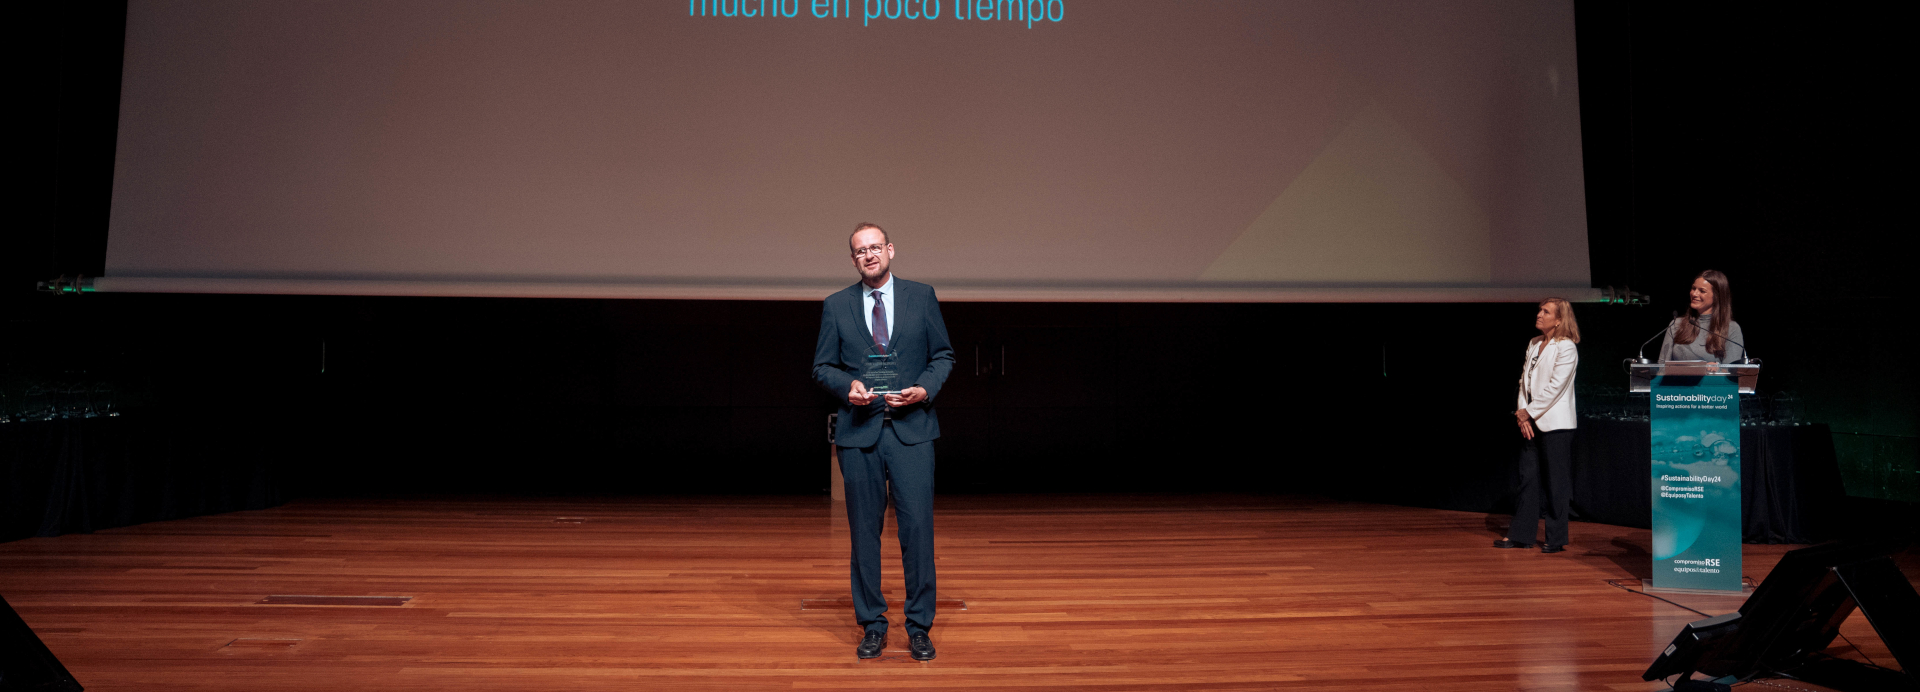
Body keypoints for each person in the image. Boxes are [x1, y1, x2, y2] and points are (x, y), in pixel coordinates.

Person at [811, 222, 954, 661]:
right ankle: (872, 624)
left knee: (917, 532)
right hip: (860, 433)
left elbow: (943, 355)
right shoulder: (836, 305)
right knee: (863, 536)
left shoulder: (921, 296)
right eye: (860, 250)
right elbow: (823, 367)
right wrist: (848, 386)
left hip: (913, 431)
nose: (869, 255)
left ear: (890, 250)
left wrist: (924, 389)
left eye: (875, 247)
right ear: (853, 259)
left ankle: (919, 626)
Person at [1496, 298, 1580, 554]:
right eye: (1540, 310)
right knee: (1528, 479)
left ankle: (1555, 538)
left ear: (1559, 319)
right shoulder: (1534, 343)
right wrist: (1522, 414)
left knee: (1556, 483)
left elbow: (1556, 387)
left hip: (1556, 425)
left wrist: (1528, 412)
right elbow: (1524, 381)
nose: (1539, 314)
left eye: (1546, 311)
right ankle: (1522, 535)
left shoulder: (1566, 347)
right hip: (1530, 421)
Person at [1659, 269, 1745, 364]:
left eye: (1702, 291)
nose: (1694, 294)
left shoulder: (1731, 328)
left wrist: (1718, 368)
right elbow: (1662, 366)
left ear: (1717, 296)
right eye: (1693, 288)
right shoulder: (1676, 324)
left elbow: (1731, 370)